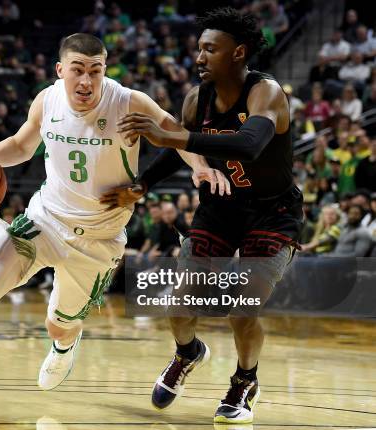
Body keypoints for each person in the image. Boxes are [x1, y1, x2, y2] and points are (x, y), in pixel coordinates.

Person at [0, 33, 230, 406]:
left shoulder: (127, 102)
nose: (86, 81)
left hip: (96, 242)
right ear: (60, 70)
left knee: (59, 324)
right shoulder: (48, 99)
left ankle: (63, 345)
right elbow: (22, 146)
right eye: (78, 71)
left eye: (95, 71)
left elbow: (177, 134)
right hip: (43, 220)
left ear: (105, 71)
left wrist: (200, 167)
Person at [106, 8, 303, 424]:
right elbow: (176, 152)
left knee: (243, 307)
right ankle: (187, 352)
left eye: (210, 49)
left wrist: (174, 134)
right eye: (198, 48)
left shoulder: (266, 93)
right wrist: (143, 185)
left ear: (238, 52)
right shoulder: (198, 98)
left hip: (272, 211)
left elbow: (249, 144)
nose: (199, 56)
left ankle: (245, 380)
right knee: (180, 302)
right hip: (221, 207)